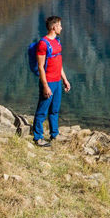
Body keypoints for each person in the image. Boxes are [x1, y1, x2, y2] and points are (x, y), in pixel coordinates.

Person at [29, 15, 71, 146]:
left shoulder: (57, 42)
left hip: (57, 80)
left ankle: (54, 134)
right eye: (59, 25)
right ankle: (38, 137)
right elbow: (41, 66)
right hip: (49, 82)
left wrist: (65, 79)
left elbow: (59, 62)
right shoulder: (43, 43)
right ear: (53, 27)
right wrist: (45, 86)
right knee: (42, 110)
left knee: (55, 109)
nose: (61, 28)